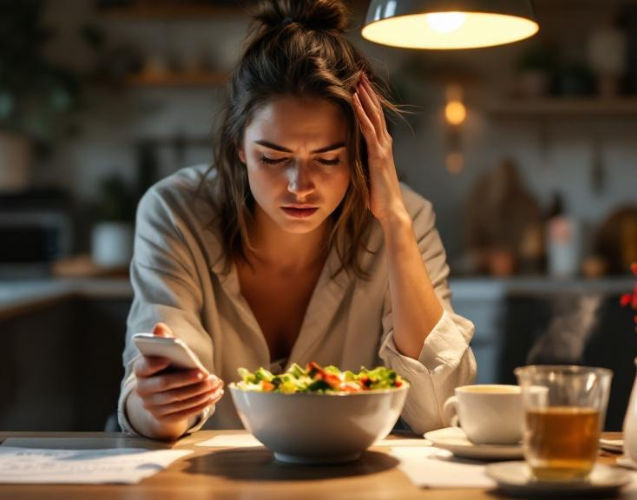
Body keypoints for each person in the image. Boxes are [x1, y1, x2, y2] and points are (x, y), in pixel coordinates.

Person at [118, 0, 476, 441]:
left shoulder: (407, 218)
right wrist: (159, 404)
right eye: (273, 157)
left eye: (327, 160)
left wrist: (395, 222)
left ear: (360, 154)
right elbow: (154, 398)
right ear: (239, 147)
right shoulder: (176, 212)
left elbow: (440, 410)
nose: (299, 186)